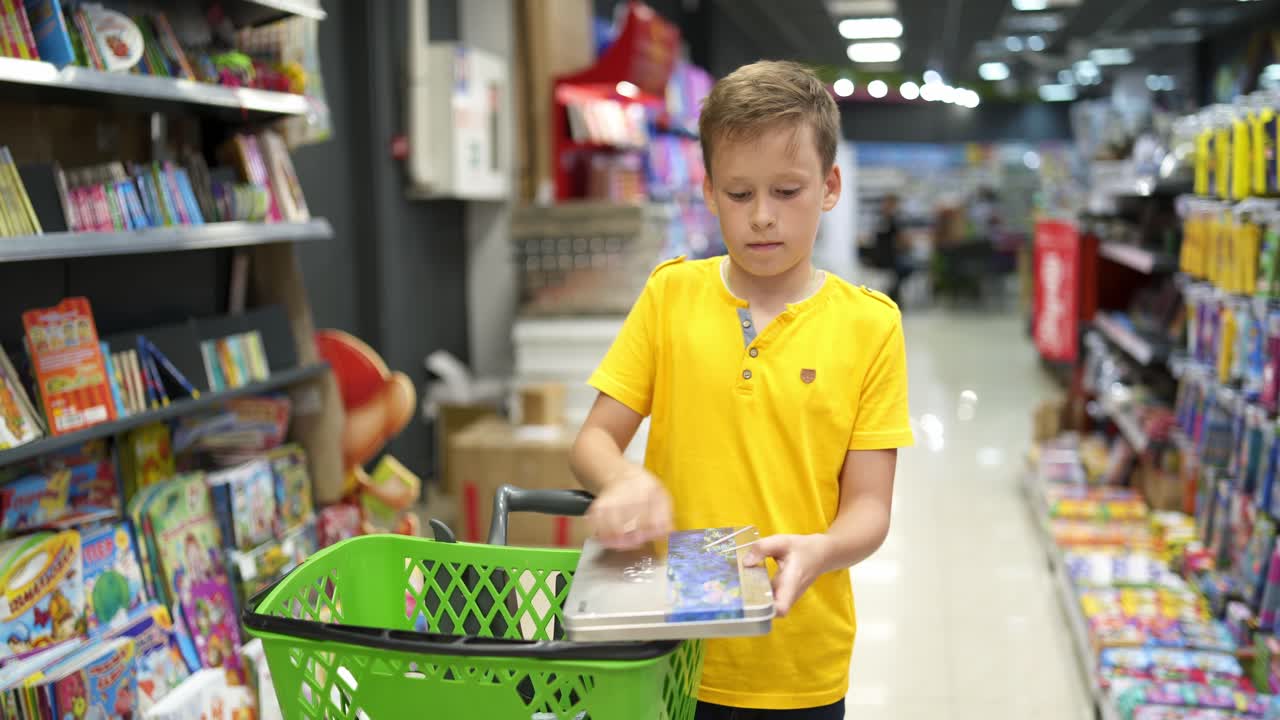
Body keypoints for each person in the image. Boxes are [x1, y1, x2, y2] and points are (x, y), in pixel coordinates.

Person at [569, 60, 913, 718]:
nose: (762, 217)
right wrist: (622, 480)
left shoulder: (870, 325)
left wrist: (826, 548)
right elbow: (593, 441)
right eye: (739, 193)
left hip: (797, 654)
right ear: (708, 191)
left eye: (787, 192)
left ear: (830, 185)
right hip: (671, 645)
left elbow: (869, 509)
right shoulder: (671, 296)